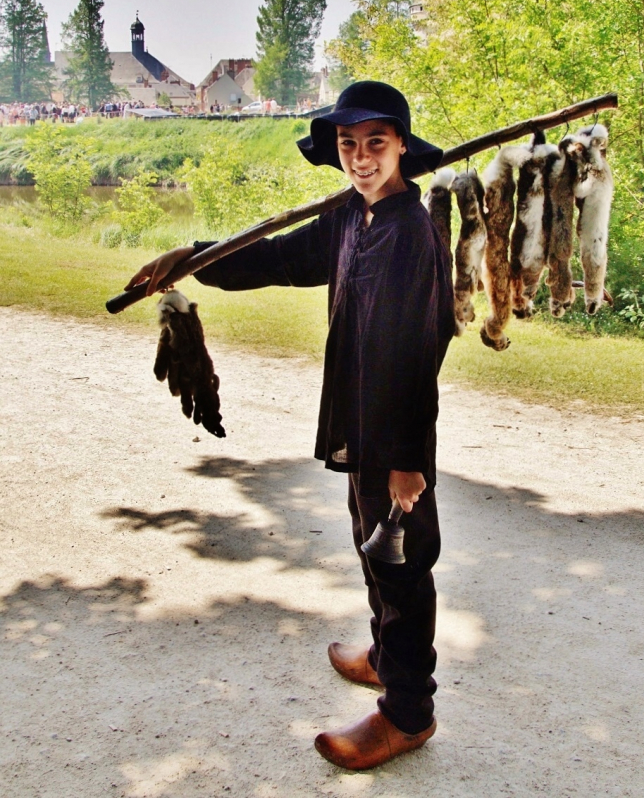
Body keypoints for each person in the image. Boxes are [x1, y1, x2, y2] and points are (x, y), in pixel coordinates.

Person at [125, 81, 455, 770]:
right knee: (371, 543)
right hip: (357, 414)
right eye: (349, 145)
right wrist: (193, 256)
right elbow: (278, 258)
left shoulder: (411, 232)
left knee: (401, 558)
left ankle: (408, 711)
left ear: (401, 146)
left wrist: (407, 459)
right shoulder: (351, 216)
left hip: (393, 429)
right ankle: (386, 653)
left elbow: (420, 351)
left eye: (376, 144)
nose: (361, 158)